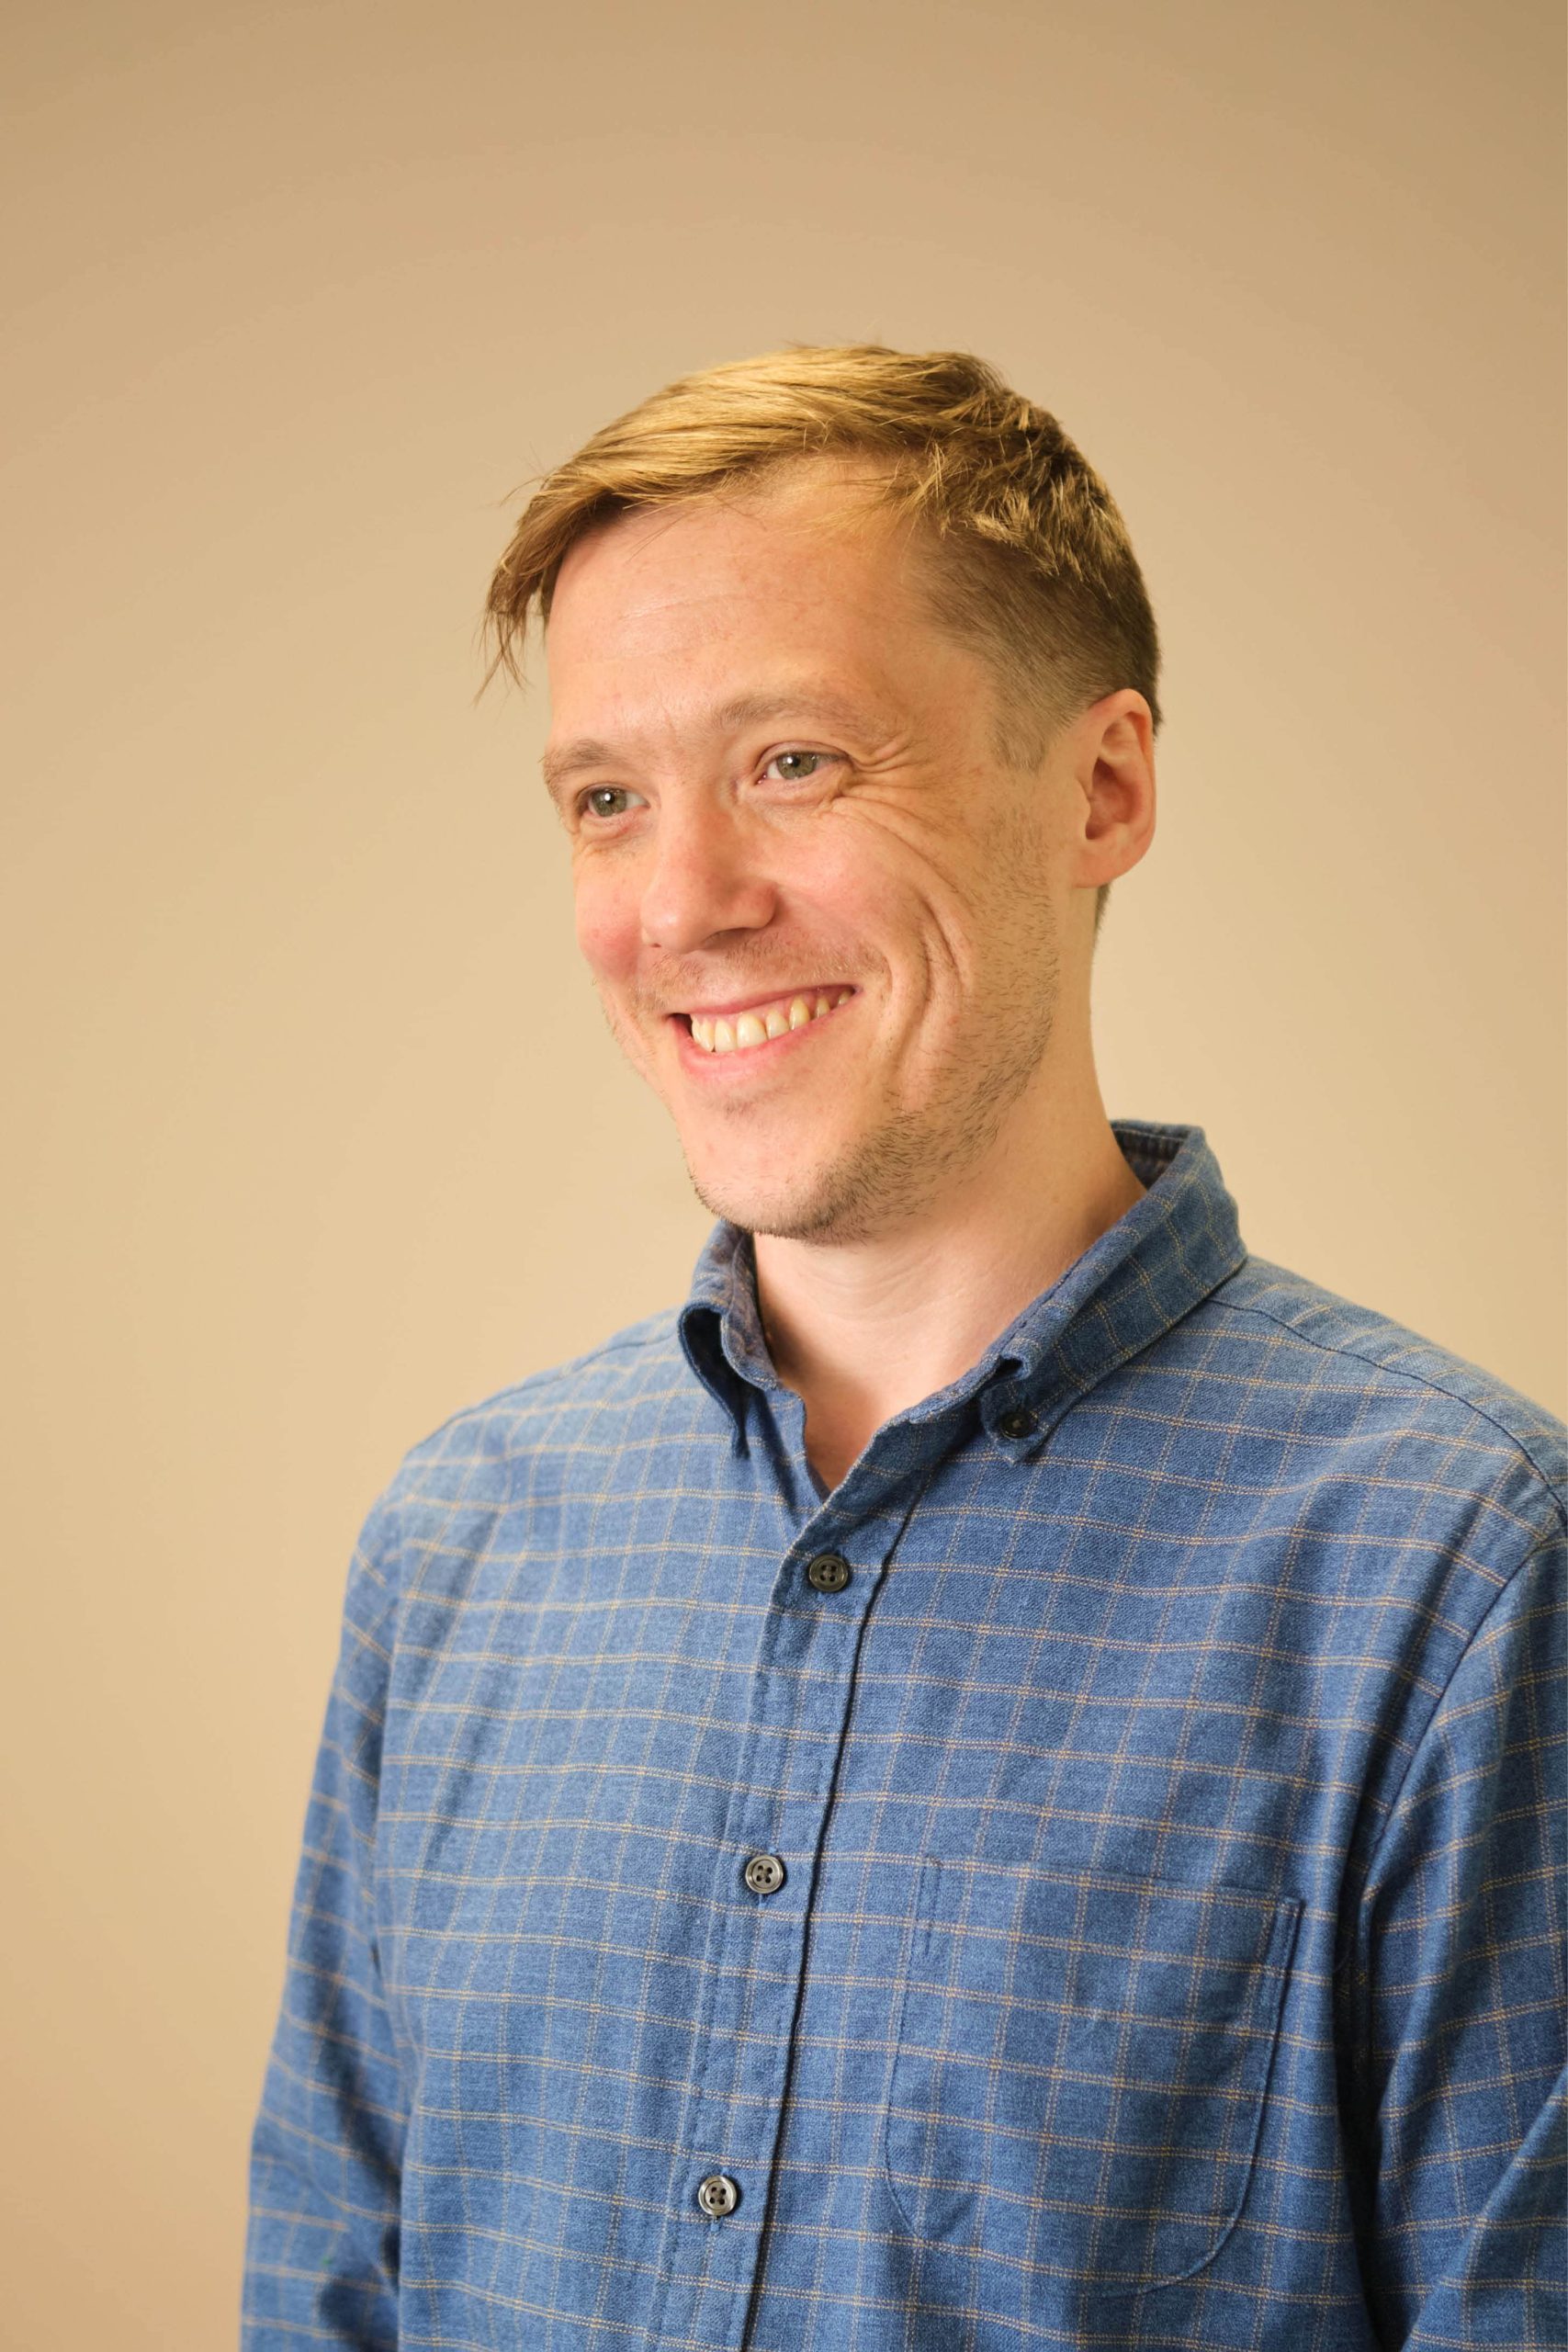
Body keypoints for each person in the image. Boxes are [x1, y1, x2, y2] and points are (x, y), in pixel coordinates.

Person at [243, 345, 1565, 2349]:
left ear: (1099, 787)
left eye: (794, 762)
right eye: (608, 799)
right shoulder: (459, 1546)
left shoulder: (1457, 1576)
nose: (679, 904)